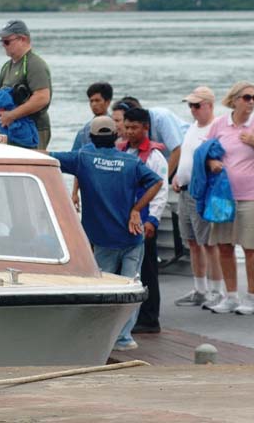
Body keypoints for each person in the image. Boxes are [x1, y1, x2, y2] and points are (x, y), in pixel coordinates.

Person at [49, 115, 163, 351]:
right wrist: (136, 210)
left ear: (90, 137)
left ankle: (104, 337)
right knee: (132, 287)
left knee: (105, 290)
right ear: (116, 137)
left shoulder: (83, 158)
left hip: (103, 240)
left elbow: (45, 157)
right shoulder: (130, 163)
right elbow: (157, 182)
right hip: (132, 237)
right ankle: (124, 338)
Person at [205, 81, 254, 315]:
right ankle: (231, 295)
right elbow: (205, 153)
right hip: (222, 194)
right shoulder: (219, 125)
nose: (251, 102)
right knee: (224, 246)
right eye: (246, 97)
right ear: (234, 100)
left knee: (250, 246)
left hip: (251, 195)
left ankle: (252, 298)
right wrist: (211, 162)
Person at [172, 86, 224, 308]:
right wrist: (176, 177)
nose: (192, 110)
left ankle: (216, 290)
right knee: (192, 241)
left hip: (202, 192)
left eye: (197, 105)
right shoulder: (192, 127)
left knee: (209, 243)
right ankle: (200, 289)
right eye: (190, 105)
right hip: (184, 190)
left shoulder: (216, 127)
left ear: (209, 106)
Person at [119, 107, 169, 334]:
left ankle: (150, 318)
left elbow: (161, 191)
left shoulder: (155, 157)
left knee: (148, 270)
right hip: (125, 219)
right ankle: (129, 315)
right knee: (129, 268)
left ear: (146, 128)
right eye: (126, 127)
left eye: (134, 127)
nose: (129, 132)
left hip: (145, 219)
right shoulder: (122, 151)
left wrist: (153, 221)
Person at [0, 19, 52, 149]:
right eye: (2, 41)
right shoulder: (6, 67)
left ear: (23, 39)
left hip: (32, 133)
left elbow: (42, 98)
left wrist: (11, 116)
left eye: (7, 41)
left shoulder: (35, 64)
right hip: (9, 132)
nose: (3, 45)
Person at [115, 96, 188, 179]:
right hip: (167, 159)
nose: (115, 125)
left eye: (117, 121)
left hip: (185, 154)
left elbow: (177, 150)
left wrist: (163, 181)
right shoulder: (133, 131)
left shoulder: (161, 117)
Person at [71, 82, 114, 210]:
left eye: (97, 100)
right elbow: (78, 162)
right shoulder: (84, 131)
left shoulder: (116, 125)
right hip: (91, 184)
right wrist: (74, 192)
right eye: (91, 101)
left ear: (107, 102)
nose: (94, 104)